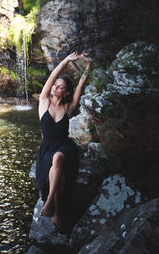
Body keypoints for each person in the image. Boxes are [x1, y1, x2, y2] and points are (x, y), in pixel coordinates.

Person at [36, 51, 92, 228]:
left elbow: (81, 85)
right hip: (47, 147)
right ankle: (56, 210)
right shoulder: (44, 101)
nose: (55, 87)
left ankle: (50, 202)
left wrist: (89, 66)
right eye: (55, 85)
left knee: (58, 158)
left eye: (60, 87)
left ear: (66, 92)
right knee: (58, 168)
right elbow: (53, 76)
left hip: (64, 146)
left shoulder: (68, 108)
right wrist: (67, 60)